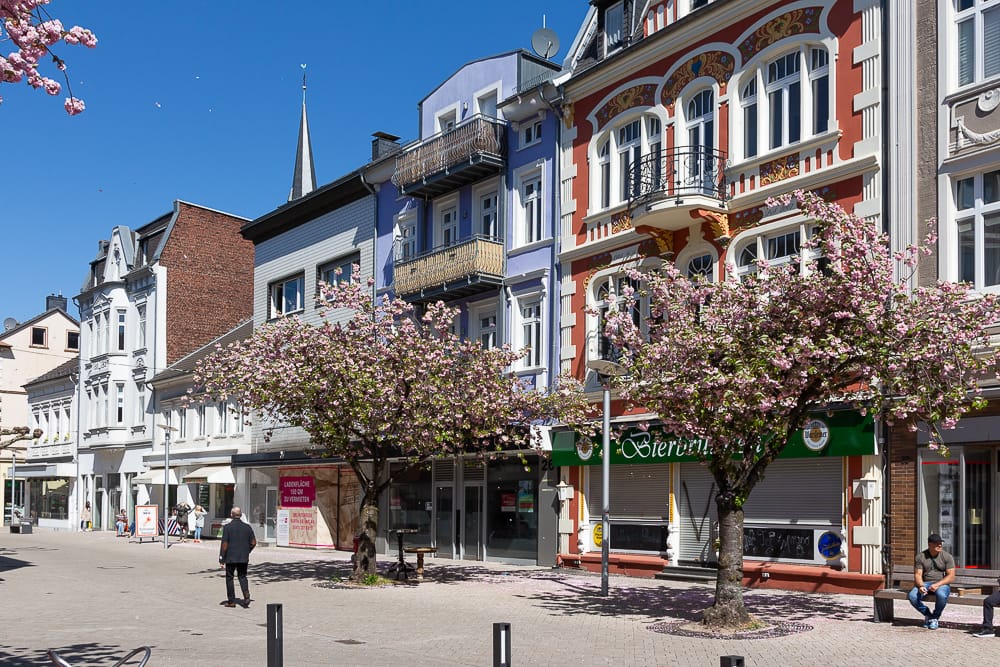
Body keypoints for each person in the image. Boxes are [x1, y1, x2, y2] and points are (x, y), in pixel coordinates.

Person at [907, 533, 956, 629]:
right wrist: (921, 586)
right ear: (930, 544)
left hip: (941, 583)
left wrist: (937, 585)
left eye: (941, 543)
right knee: (912, 596)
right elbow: (917, 574)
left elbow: (951, 577)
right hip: (925, 583)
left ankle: (935, 617)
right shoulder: (921, 557)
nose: (940, 545)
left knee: (941, 595)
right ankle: (928, 615)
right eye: (937, 543)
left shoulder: (947, 557)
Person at [219, 506, 257, 608]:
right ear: (240, 515)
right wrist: (247, 551)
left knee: (229, 578)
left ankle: (231, 601)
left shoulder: (227, 527)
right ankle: (246, 595)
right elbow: (253, 542)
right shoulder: (247, 527)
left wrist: (222, 558)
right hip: (243, 557)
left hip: (231, 557)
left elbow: (225, 544)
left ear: (231, 515)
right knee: (242, 576)